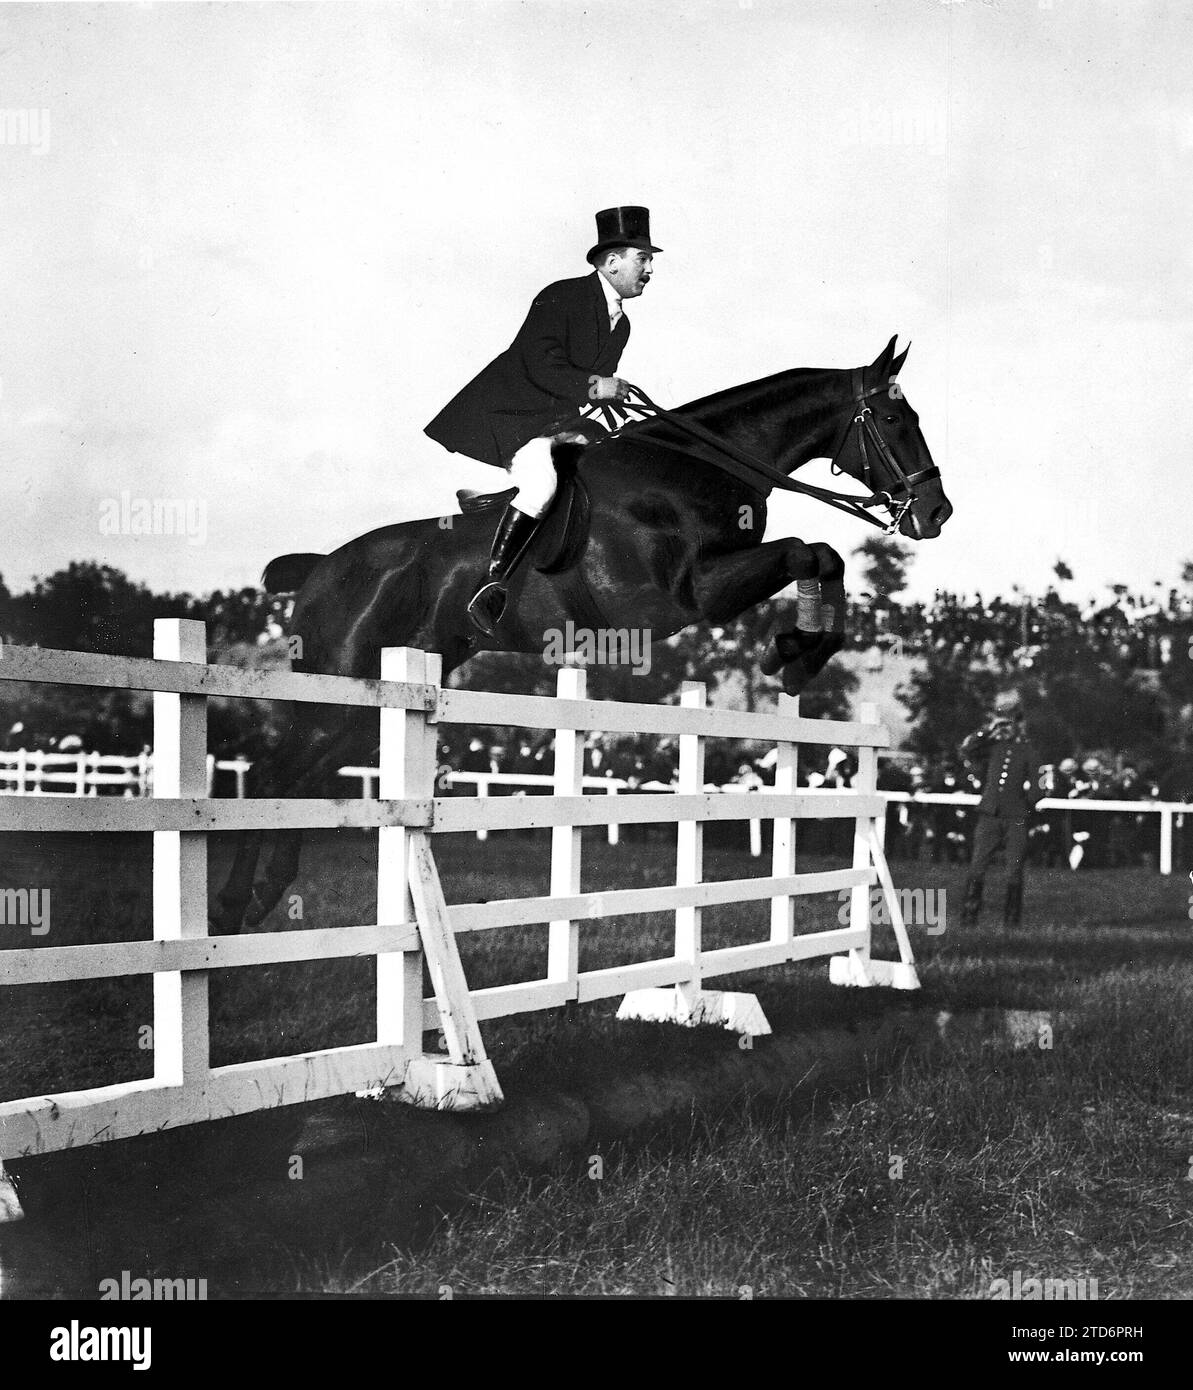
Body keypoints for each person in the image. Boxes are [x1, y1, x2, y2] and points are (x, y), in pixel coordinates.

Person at [424, 206, 661, 636]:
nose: (649, 270)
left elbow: (588, 387)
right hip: (511, 417)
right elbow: (541, 366)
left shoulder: (621, 324)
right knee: (543, 484)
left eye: (650, 261)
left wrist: (613, 404)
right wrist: (597, 387)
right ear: (612, 262)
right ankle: (490, 585)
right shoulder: (562, 295)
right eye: (642, 259)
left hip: (557, 422)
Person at [959, 694, 1042, 929]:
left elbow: (1038, 786)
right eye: (1004, 721)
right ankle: (969, 918)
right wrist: (988, 729)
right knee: (977, 866)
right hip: (989, 815)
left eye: (1011, 722)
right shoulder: (992, 747)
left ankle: (1011, 922)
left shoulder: (1028, 751)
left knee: (1014, 871)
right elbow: (968, 750)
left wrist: (1026, 805)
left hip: (1016, 817)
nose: (1008, 726)